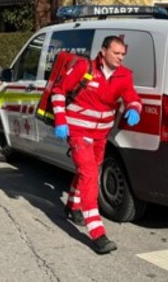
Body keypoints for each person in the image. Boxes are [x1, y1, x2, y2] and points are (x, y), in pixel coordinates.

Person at [50, 36, 142, 255]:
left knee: (88, 171)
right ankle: (97, 232)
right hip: (78, 131)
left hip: (101, 134)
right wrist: (61, 120)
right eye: (116, 53)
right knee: (90, 174)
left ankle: (72, 205)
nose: (120, 57)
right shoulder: (85, 67)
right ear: (103, 51)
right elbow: (58, 91)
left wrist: (134, 107)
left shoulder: (124, 75)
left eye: (123, 54)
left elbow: (131, 95)